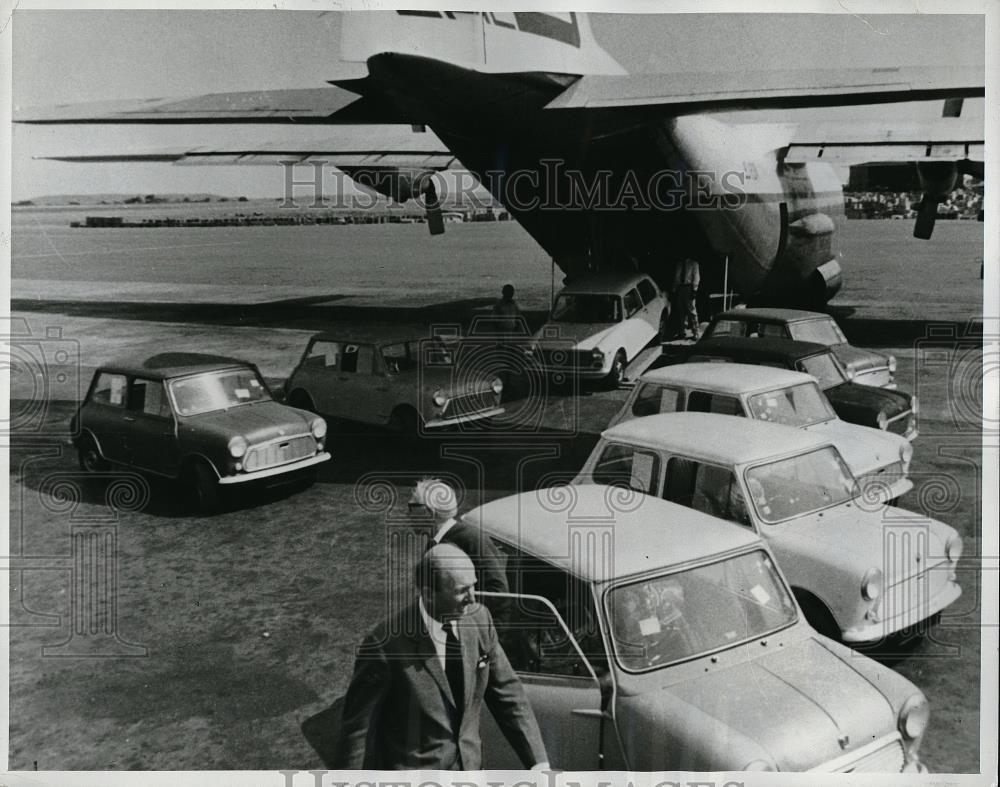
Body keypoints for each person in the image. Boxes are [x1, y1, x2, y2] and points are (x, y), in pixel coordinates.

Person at [334, 543, 550, 770]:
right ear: (428, 594)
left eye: (473, 587)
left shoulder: (479, 619)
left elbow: (508, 693)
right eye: (461, 591)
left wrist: (539, 764)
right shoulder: (384, 646)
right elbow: (357, 732)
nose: (473, 599)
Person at [408, 478, 510, 610]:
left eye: (411, 508)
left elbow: (499, 592)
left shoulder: (471, 539)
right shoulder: (435, 543)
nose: (407, 514)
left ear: (429, 513)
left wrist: (455, 606)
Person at [671, 257, 701, 339]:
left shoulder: (694, 263)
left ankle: (696, 332)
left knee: (691, 311)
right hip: (680, 288)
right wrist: (674, 289)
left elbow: (696, 277)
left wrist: (694, 290)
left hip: (689, 287)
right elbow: (676, 277)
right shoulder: (679, 264)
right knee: (680, 310)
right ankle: (682, 331)